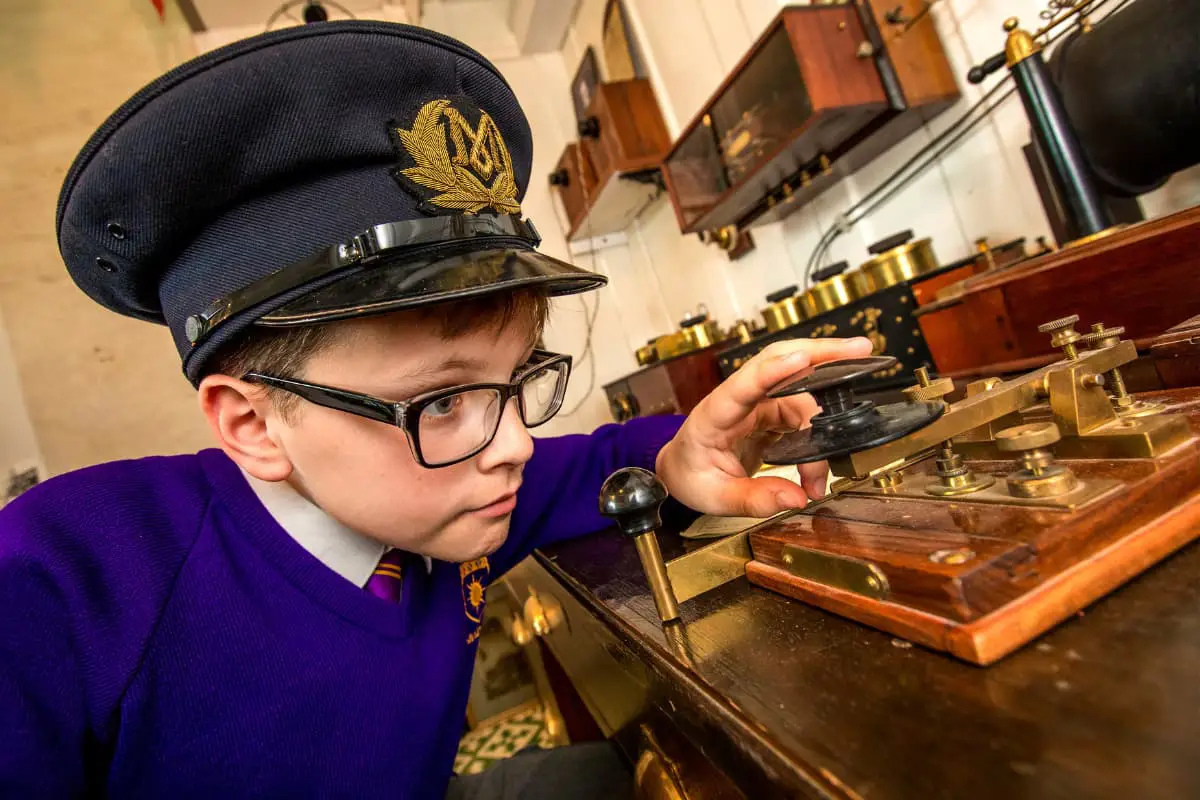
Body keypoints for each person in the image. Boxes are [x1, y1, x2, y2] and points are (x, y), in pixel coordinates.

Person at [0, 19, 870, 799]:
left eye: (518, 377)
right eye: (444, 399)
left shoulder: (447, 494)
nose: (519, 446)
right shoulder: (58, 580)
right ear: (253, 424)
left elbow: (600, 468)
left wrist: (682, 456)